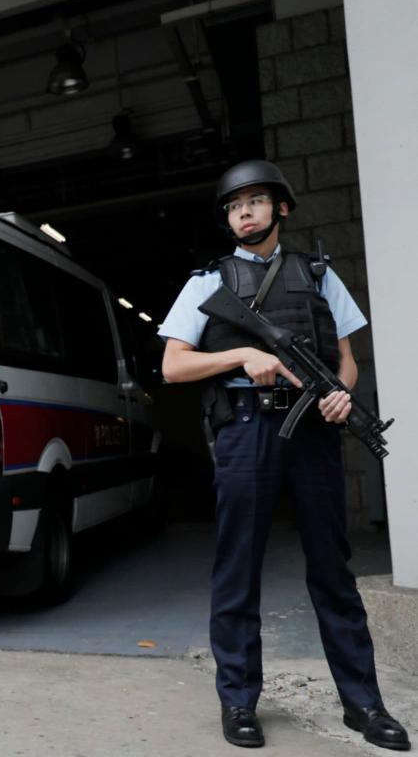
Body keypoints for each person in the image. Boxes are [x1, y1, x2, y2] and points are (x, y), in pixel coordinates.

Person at [159, 160, 410, 751]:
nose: (244, 211)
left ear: (281, 209)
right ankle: (239, 702)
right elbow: (173, 366)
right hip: (247, 427)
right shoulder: (208, 282)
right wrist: (241, 355)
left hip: (314, 432)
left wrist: (342, 395)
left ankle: (364, 705)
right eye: (234, 205)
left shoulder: (318, 274)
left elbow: (345, 358)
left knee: (332, 569)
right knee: (238, 568)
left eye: (255, 201)